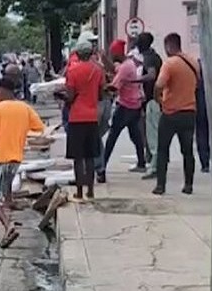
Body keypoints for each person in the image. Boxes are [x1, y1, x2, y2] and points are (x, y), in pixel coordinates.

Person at [0, 76, 45, 247]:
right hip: (16, 159)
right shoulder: (25, 108)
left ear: (2, 90)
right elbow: (39, 128)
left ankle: (8, 226)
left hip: (0, 159)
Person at [152, 32, 200, 196]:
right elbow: (197, 83)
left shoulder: (169, 64)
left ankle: (160, 185)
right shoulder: (193, 62)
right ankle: (188, 185)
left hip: (170, 113)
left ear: (168, 46)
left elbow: (158, 85)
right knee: (187, 151)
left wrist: (158, 99)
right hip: (189, 112)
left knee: (163, 149)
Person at [98, 39, 147, 182]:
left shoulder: (126, 68)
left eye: (113, 54)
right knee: (135, 134)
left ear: (118, 54)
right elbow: (113, 69)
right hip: (135, 105)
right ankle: (142, 162)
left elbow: (114, 87)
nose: (112, 57)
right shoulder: (128, 64)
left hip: (126, 106)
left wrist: (99, 88)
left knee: (112, 136)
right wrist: (104, 59)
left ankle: (102, 168)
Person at [63, 41, 104, 202]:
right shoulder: (98, 70)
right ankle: (91, 191)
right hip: (92, 116)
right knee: (90, 156)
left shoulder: (72, 70)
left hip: (76, 117)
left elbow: (71, 96)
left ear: (78, 54)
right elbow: (101, 94)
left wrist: (63, 97)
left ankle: (79, 191)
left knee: (77, 157)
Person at [136, 32, 163, 179]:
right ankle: (154, 162)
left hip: (152, 100)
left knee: (152, 135)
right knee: (151, 134)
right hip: (153, 100)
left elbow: (152, 75)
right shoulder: (153, 56)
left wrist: (135, 79)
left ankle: (155, 167)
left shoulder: (149, 58)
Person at [195, 57, 210, 173]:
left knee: (201, 135)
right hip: (209, 109)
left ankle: (205, 163)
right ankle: (207, 161)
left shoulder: (196, 81)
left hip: (199, 109)